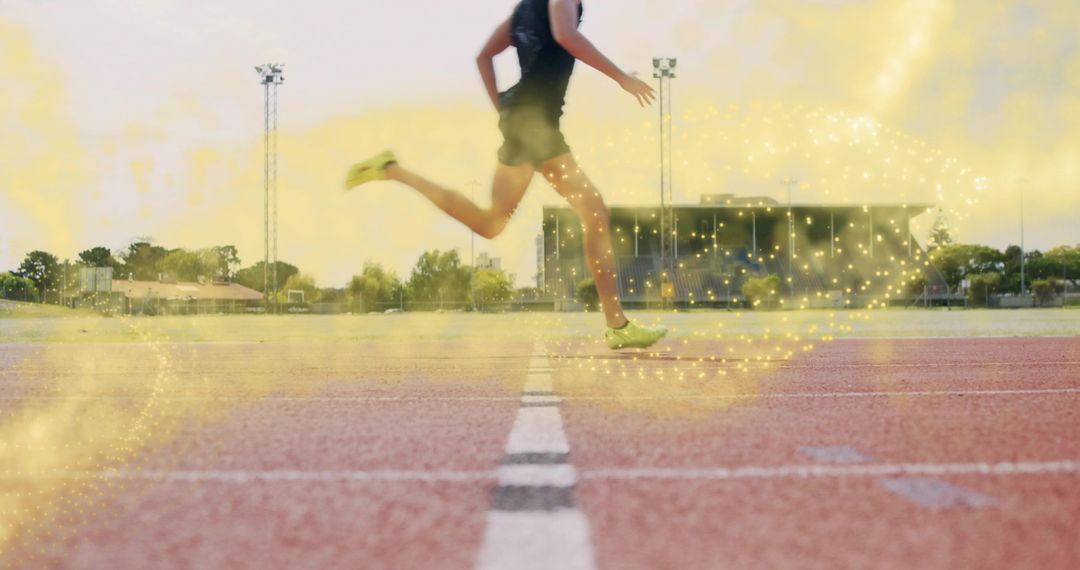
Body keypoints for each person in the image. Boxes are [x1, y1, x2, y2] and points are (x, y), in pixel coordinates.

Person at [345, 0, 666, 350]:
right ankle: (616, 325)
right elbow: (565, 35)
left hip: (526, 119)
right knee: (594, 211)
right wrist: (621, 77)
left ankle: (392, 170)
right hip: (535, 124)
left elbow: (483, 56)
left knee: (492, 223)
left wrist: (503, 109)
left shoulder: (523, 10)